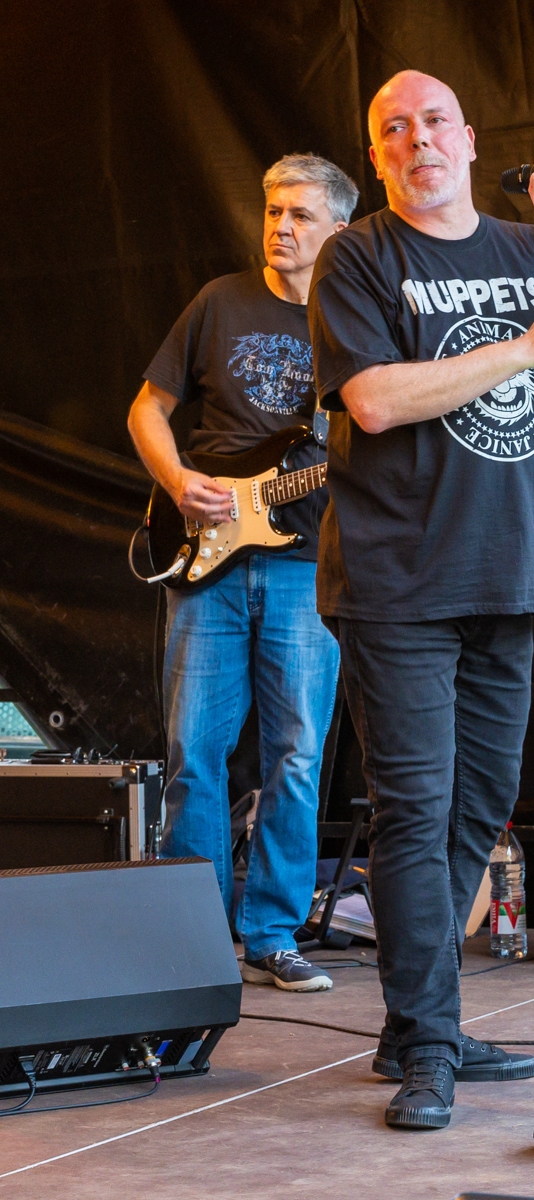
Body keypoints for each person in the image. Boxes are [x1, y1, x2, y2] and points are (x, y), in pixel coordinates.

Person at [308, 71, 534, 1126]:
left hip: (513, 570)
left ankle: (421, 1025)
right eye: (394, 130)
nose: (419, 140)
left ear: (468, 138)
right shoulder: (359, 257)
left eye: (434, 122)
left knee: (474, 807)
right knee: (415, 809)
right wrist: (530, 346)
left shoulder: (532, 250)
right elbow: (373, 399)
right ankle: (428, 1049)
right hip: (401, 577)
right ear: (378, 158)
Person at [128, 154, 359, 993]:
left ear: (338, 229)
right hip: (207, 557)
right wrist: (175, 481)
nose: (281, 227)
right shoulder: (219, 302)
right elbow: (147, 409)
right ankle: (191, 937)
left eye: (300, 214)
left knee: (297, 754)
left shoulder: (354, 316)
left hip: (306, 566)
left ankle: (271, 934)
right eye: (272, 211)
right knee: (195, 750)